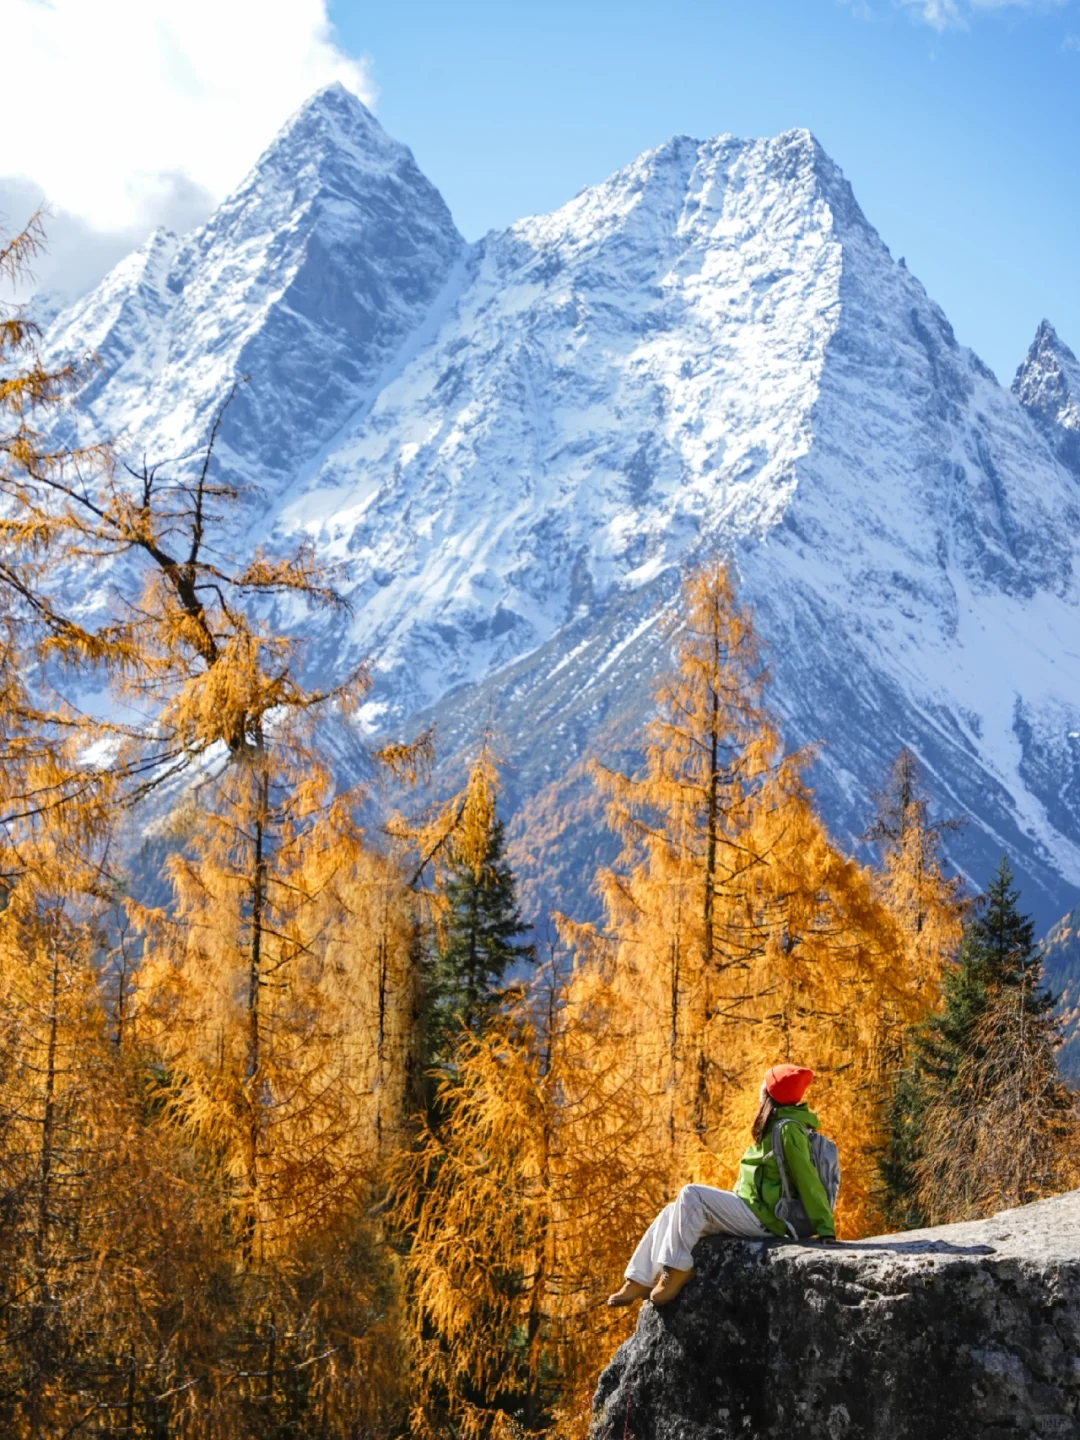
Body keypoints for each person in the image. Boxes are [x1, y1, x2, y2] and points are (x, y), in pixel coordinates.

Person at [608, 1063, 836, 1308]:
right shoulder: (774, 1124)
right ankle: (639, 1279)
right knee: (672, 1211)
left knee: (691, 1194)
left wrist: (825, 1227)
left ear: (772, 1094)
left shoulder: (787, 1129)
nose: (760, 1089)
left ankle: (677, 1269)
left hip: (768, 1218)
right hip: (752, 1208)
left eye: (764, 1085)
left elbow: (807, 1179)